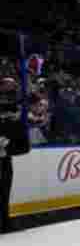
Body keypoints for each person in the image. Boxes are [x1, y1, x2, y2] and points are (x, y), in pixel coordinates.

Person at [0, 76, 31, 235]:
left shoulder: (16, 125)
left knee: (4, 194)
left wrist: (6, 150)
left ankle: (5, 223)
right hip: (5, 163)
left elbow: (25, 147)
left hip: (5, 163)